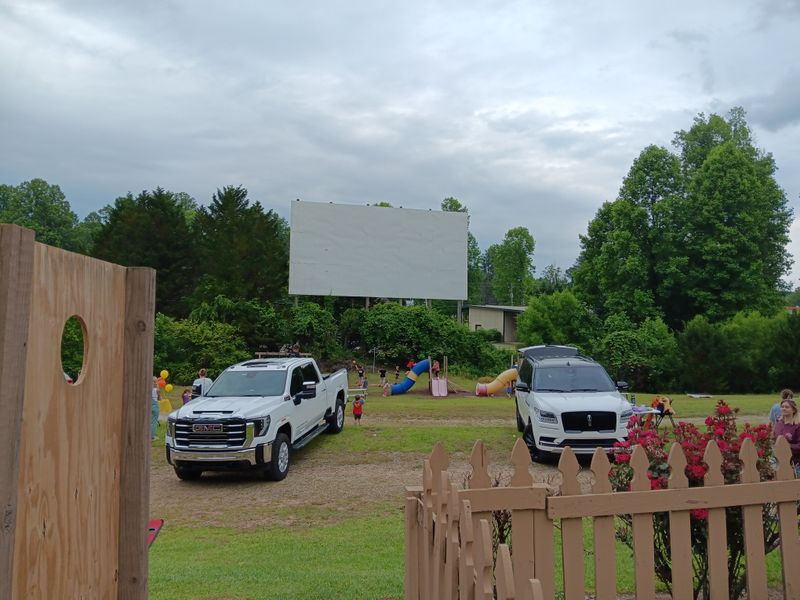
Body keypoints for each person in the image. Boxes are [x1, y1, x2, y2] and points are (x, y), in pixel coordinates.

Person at [772, 397, 800, 474]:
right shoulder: (779, 423)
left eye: (787, 407)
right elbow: (774, 438)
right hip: (778, 462)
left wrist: (788, 446)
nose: (783, 409)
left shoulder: (797, 426)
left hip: (795, 464)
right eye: (782, 407)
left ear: (793, 410)